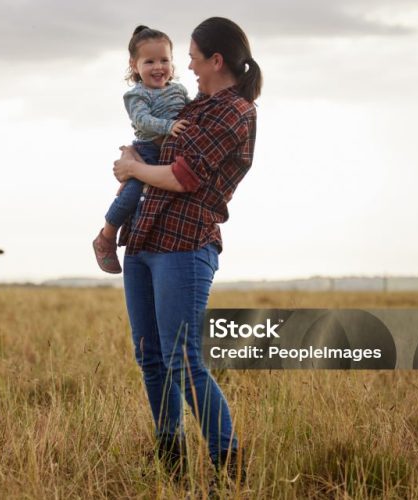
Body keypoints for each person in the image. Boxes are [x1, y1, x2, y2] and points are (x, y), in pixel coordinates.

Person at [111, 17, 262, 483]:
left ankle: (227, 467)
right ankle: (170, 457)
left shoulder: (234, 113)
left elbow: (182, 176)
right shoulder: (197, 106)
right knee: (151, 358)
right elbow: (154, 147)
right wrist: (135, 163)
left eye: (193, 58)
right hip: (144, 241)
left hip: (185, 245)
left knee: (183, 361)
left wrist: (134, 168)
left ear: (217, 60)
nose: (188, 67)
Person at [92, 26, 190, 274]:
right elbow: (142, 121)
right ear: (134, 65)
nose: (158, 67)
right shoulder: (136, 95)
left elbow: (191, 110)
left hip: (169, 151)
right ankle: (106, 236)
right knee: (134, 191)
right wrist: (169, 126)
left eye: (164, 60)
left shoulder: (178, 90)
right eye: (150, 62)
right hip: (147, 150)